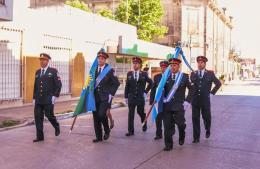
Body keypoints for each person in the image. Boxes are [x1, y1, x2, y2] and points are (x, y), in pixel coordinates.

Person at [162, 58, 193, 151]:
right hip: (167, 105)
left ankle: (182, 135)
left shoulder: (184, 77)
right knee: (167, 126)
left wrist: (187, 101)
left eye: (174, 65)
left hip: (179, 105)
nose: (172, 67)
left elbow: (192, 89)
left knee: (180, 124)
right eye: (171, 65)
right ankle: (168, 144)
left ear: (178, 66)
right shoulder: (165, 77)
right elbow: (160, 89)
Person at [190, 56, 221, 143]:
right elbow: (191, 87)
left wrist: (211, 93)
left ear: (205, 64)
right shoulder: (193, 74)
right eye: (198, 63)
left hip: (205, 101)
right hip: (195, 100)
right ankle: (196, 138)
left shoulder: (210, 74)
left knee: (207, 118)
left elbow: (218, 84)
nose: (200, 64)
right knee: (195, 119)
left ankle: (207, 129)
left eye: (202, 63)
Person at [33, 53, 62, 142]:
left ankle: (56, 125)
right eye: (40, 60)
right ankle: (40, 136)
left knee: (49, 115)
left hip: (48, 98)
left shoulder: (53, 71)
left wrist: (55, 95)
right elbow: (36, 86)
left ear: (47, 61)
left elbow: (59, 85)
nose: (42, 61)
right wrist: (34, 98)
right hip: (38, 99)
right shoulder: (37, 72)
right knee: (38, 117)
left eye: (44, 60)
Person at [92, 51, 120, 143]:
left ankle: (107, 129)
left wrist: (110, 93)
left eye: (102, 58)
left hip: (105, 97)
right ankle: (99, 137)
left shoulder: (109, 70)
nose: (100, 60)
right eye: (99, 58)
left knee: (101, 114)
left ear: (105, 60)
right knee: (96, 117)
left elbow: (116, 83)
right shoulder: (93, 70)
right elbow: (90, 82)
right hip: (95, 97)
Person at [125, 57, 153, 136]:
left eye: (136, 64)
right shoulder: (129, 74)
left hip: (140, 97)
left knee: (140, 112)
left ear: (140, 65)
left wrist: (145, 92)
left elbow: (151, 83)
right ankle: (130, 131)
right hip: (131, 97)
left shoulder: (144, 74)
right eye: (134, 63)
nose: (135, 65)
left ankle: (144, 121)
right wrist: (126, 97)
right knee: (131, 114)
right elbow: (127, 86)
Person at [150, 60, 169, 140]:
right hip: (158, 101)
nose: (163, 68)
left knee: (166, 119)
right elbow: (153, 89)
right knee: (158, 118)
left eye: (165, 67)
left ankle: (168, 134)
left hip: (167, 101)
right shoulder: (157, 77)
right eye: (162, 67)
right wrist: (152, 100)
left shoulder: (171, 76)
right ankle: (158, 134)